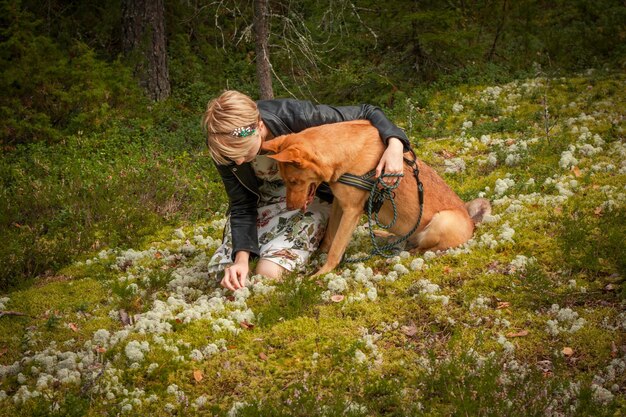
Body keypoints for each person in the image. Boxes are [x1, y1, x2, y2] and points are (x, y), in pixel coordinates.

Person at [202, 90, 411, 291]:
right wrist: (241, 259)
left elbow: (368, 111)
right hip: (263, 204)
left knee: (268, 273)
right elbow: (242, 204)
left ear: (259, 125)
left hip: (313, 201)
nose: (238, 161)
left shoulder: (298, 116)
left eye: (245, 152)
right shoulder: (224, 147)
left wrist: (395, 144)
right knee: (225, 272)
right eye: (233, 157)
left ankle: (297, 244)